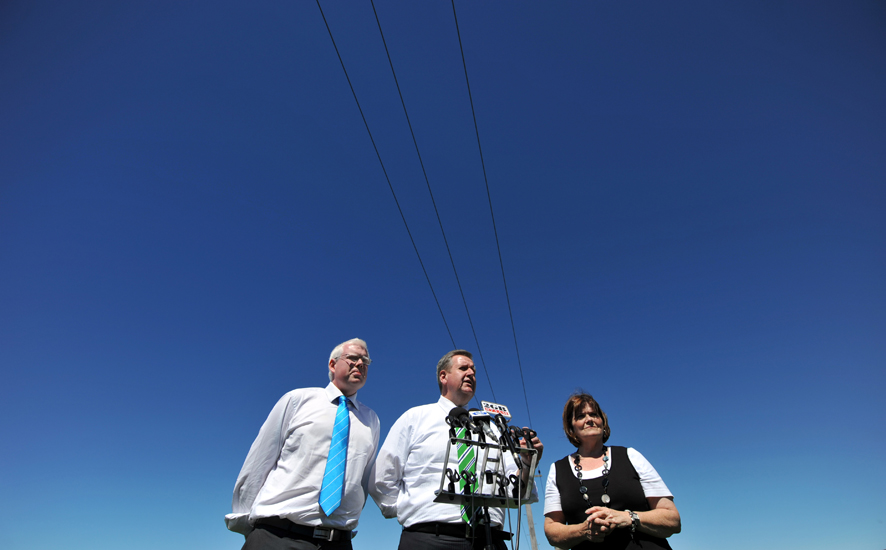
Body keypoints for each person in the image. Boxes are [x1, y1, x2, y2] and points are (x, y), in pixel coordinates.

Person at [370, 349, 543, 550]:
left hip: (490, 540)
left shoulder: (493, 429)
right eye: (463, 368)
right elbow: (381, 479)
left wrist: (529, 463)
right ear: (443, 376)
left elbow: (517, 491)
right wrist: (417, 510)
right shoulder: (415, 418)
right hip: (429, 539)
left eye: (474, 370)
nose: (471, 373)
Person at [226, 338, 380, 550]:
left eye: (365, 360)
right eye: (353, 358)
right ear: (333, 364)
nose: (360, 364)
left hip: (337, 542)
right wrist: (249, 526)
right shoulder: (298, 400)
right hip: (277, 537)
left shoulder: (371, 420)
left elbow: (361, 481)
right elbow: (259, 462)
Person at [543, 392, 681, 550]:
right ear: (571, 428)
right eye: (581, 416)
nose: (589, 419)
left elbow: (672, 519)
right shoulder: (558, 470)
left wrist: (628, 517)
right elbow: (552, 530)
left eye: (594, 414)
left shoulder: (630, 456)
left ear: (602, 421)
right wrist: (583, 530)